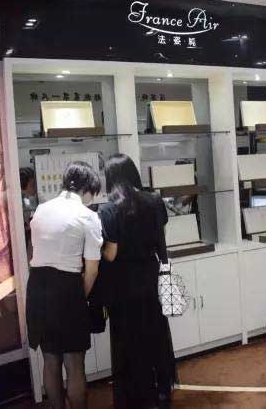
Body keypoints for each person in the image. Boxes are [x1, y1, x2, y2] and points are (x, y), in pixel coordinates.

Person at [98, 154, 176, 408]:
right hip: (150, 278)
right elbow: (160, 239)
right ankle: (161, 392)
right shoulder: (154, 201)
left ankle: (137, 396)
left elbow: (111, 254)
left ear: (110, 178)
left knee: (128, 342)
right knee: (155, 335)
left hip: (122, 284)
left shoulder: (108, 209)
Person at [26, 161, 103, 409]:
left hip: (37, 287)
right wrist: (78, 298)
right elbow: (92, 270)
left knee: (50, 361)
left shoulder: (41, 210)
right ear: (87, 188)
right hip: (67, 288)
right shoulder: (88, 216)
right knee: (74, 363)